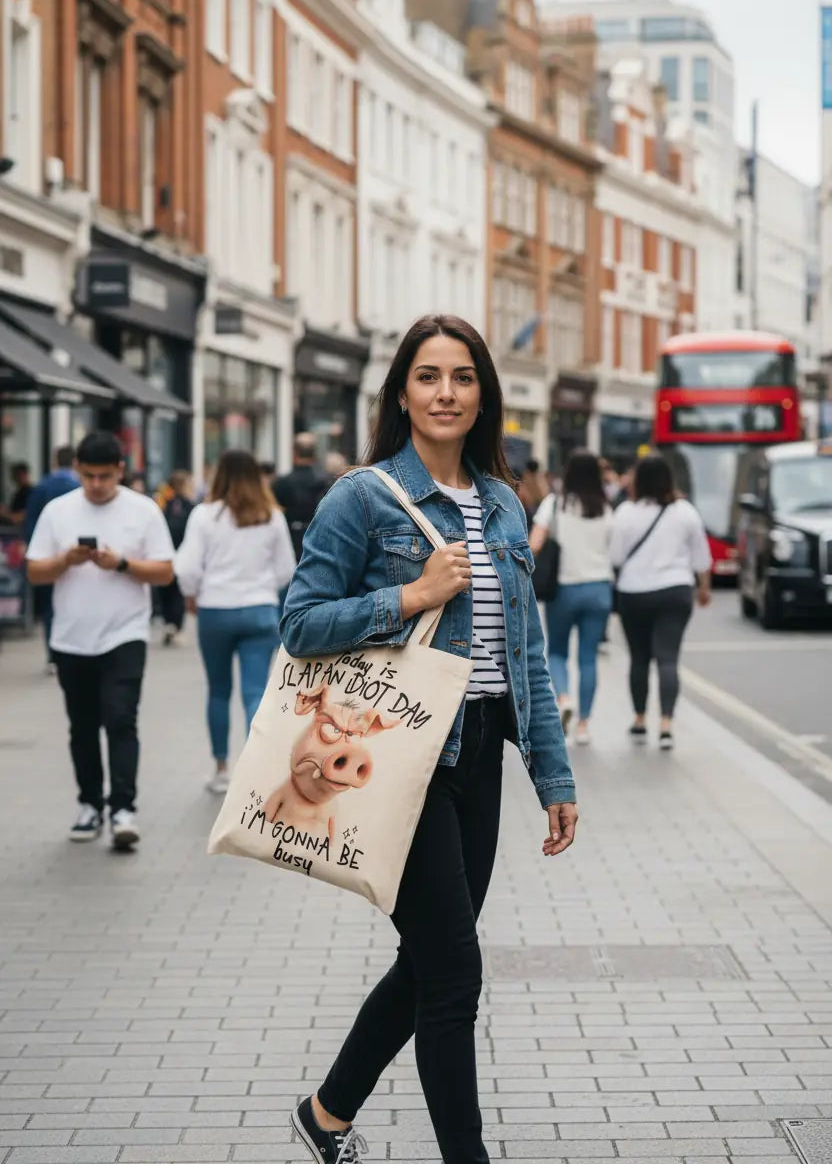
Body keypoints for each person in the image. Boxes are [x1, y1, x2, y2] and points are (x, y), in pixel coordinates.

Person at [280, 314, 577, 1164]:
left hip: (478, 753)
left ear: (484, 396)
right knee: (454, 974)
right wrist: (409, 597)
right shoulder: (361, 497)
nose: (446, 393)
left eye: (462, 377)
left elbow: (527, 657)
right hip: (398, 754)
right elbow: (299, 624)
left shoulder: (505, 505)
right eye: (428, 376)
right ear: (402, 394)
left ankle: (326, 1114)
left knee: (429, 961)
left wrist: (553, 776)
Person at [25, 432, 175, 846]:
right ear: (77, 469)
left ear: (120, 471)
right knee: (83, 726)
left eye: (104, 476)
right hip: (71, 638)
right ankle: (89, 804)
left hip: (125, 634)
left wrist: (121, 563)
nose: (95, 484)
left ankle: (123, 808)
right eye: (88, 476)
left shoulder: (144, 510)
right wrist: (65, 560)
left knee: (121, 719)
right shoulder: (58, 511)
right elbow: (35, 572)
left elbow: (165, 572)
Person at [174, 450, 296, 795]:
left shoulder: (204, 516)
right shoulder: (271, 515)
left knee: (218, 690)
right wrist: (264, 588)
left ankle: (221, 769)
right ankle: (254, 771)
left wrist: (191, 594)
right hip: (260, 609)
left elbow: (187, 568)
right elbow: (286, 569)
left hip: (215, 609)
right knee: (255, 692)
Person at [610, 454, 712, 751]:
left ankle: (640, 719)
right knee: (668, 659)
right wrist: (704, 589)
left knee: (639, 658)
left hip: (634, 592)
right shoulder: (685, 512)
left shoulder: (625, 513)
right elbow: (701, 557)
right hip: (675, 591)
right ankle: (666, 725)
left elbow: (615, 557)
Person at [529, 451, 613, 746]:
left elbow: (534, 544)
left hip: (564, 589)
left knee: (557, 652)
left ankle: (563, 698)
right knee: (588, 657)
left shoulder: (555, 503)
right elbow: (613, 550)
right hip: (599, 589)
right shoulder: (605, 508)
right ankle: (584, 726)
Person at [24, 446, 79, 673]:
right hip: (78, 557)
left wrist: (32, 551)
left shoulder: (42, 487)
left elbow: (30, 522)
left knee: (49, 606)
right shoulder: (78, 487)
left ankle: (53, 655)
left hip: (47, 556)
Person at [273, 433, 328, 562]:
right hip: (319, 538)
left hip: (290, 539)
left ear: (294, 454)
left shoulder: (282, 482)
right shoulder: (325, 482)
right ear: (314, 455)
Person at [160, 470, 194, 645]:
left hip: (166, 553)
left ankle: (169, 623)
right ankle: (176, 626)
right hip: (182, 553)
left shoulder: (165, 503)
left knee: (167, 590)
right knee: (177, 593)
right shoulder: (189, 506)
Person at [0, 461, 32, 527]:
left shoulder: (30, 492)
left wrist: (5, 514)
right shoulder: (19, 492)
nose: (15, 477)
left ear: (25, 474)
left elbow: (22, 516)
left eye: (18, 474)